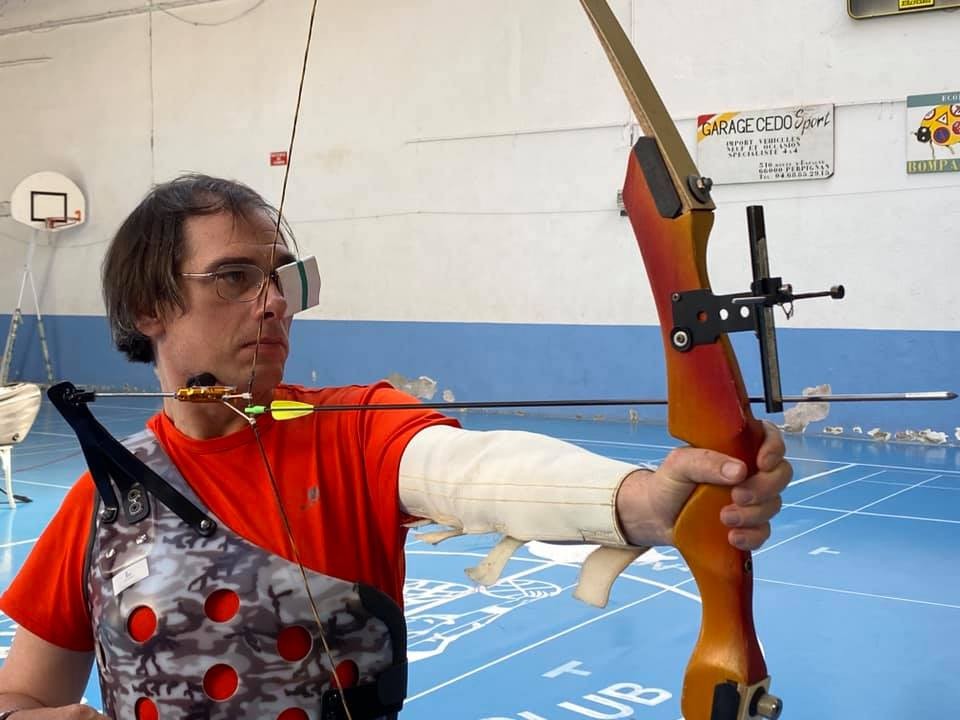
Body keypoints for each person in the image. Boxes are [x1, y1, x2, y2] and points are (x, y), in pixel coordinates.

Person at [0, 175, 791, 720]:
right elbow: (22, 695)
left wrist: (650, 501)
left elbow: (473, 473)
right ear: (149, 306)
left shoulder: (354, 426)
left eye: (284, 278)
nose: (274, 304)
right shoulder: (107, 499)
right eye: (235, 278)